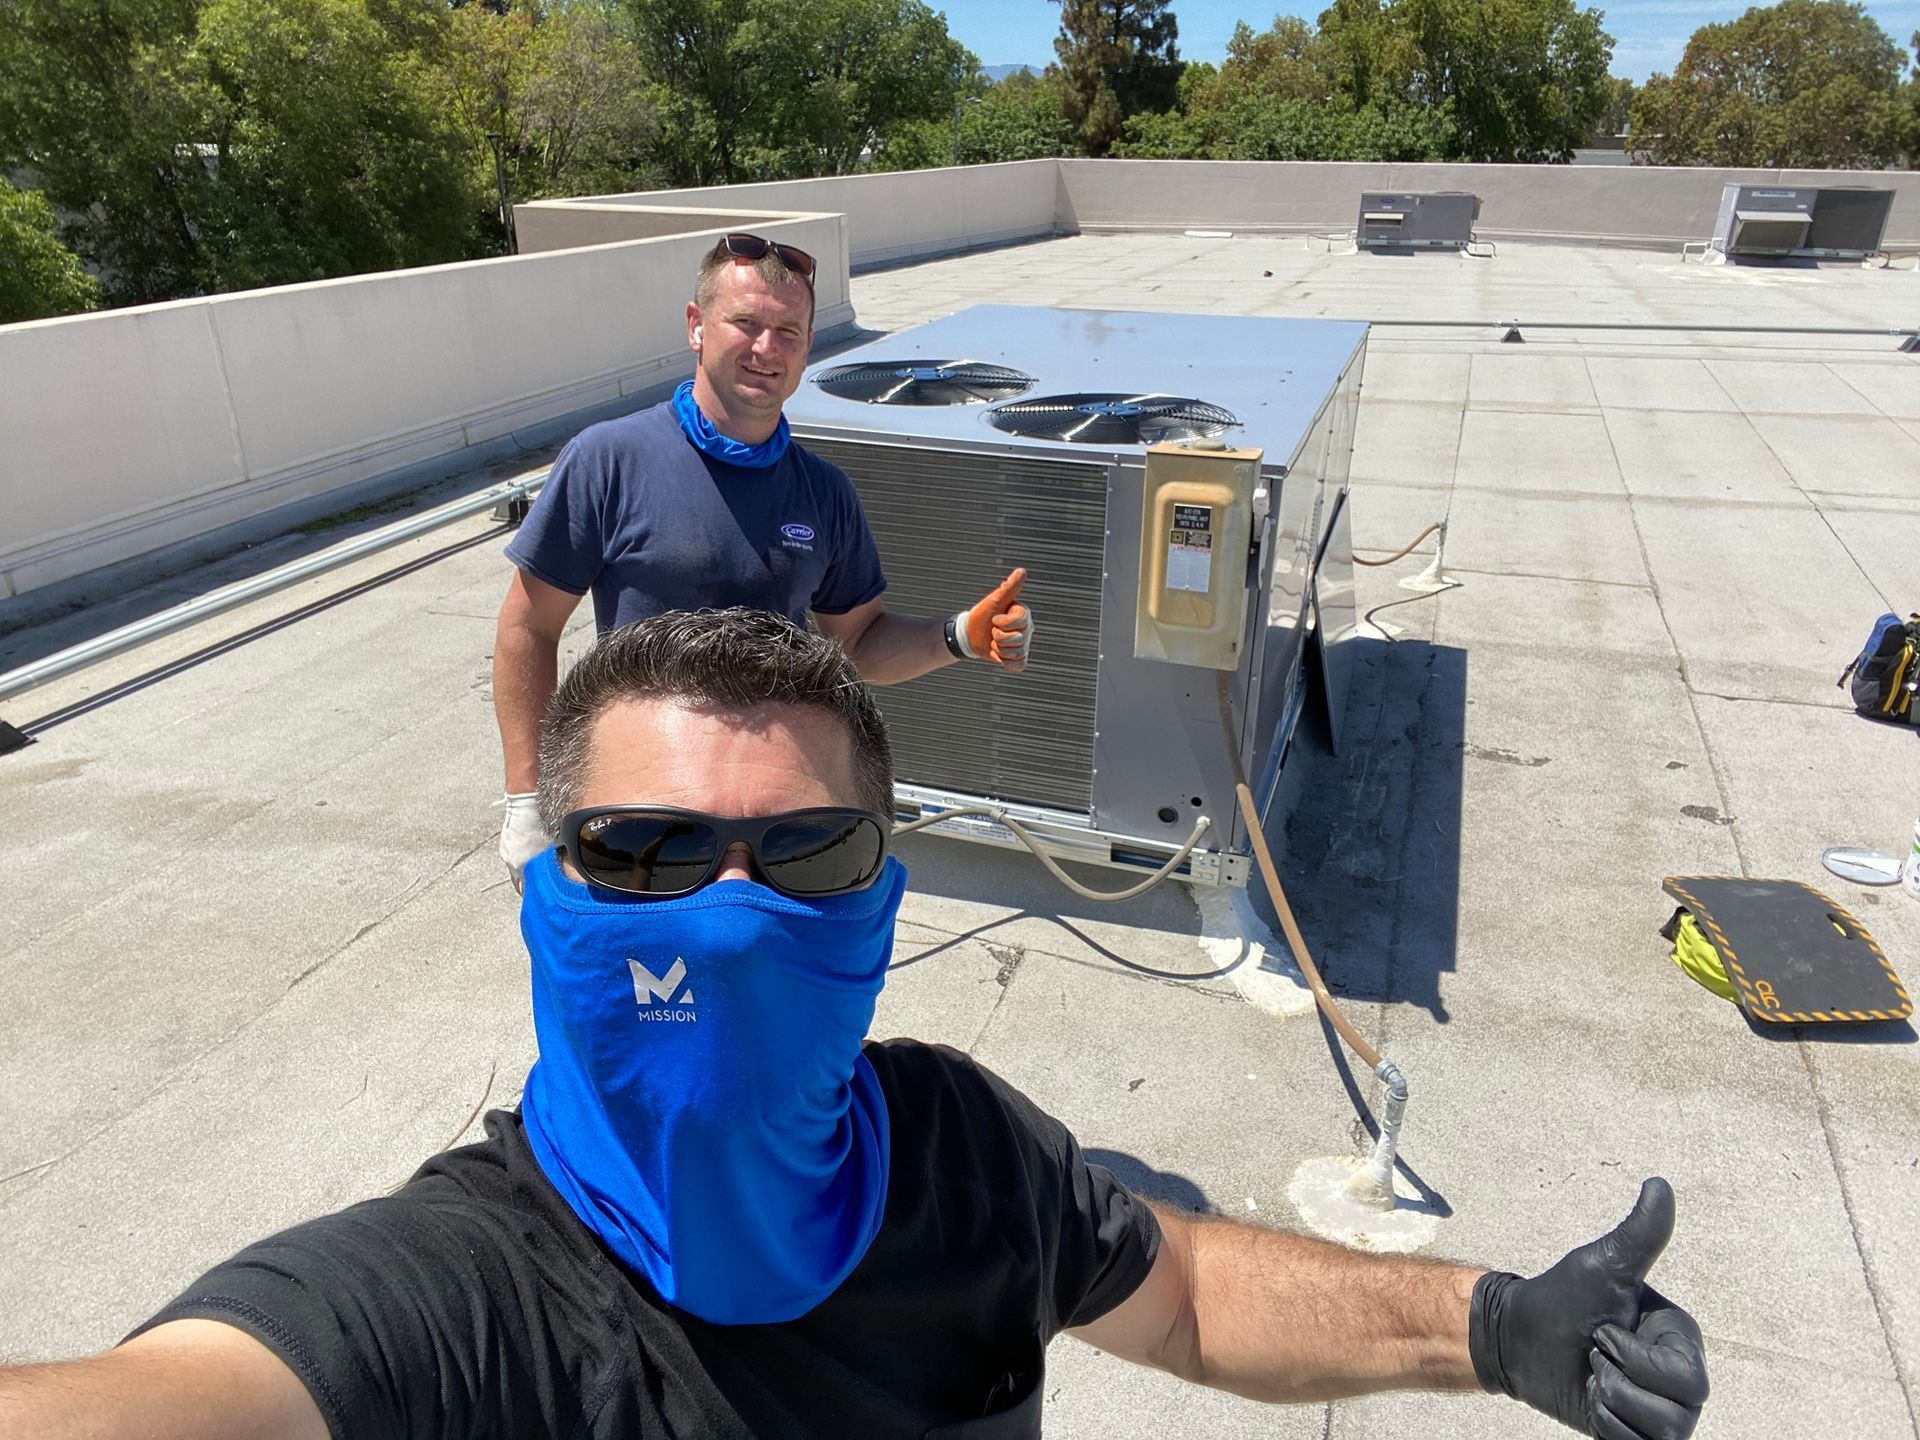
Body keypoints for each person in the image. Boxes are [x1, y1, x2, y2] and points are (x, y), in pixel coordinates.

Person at [0, 610, 1709, 1440]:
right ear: (548, 890)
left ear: (884, 900)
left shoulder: (959, 1149)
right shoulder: (450, 1307)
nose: (732, 913)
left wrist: (1484, 1326)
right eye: (648, 852)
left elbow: (1177, 1291)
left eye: (804, 851)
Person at [492, 231, 1034, 889]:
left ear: (808, 346)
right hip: (648, 809)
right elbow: (528, 628)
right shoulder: (609, 461)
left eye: (788, 331)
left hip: (776, 813)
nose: (766, 349)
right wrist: (529, 801)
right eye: (745, 323)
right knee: (646, 988)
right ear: (696, 326)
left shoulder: (823, 491)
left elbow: (857, 642)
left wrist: (957, 637)